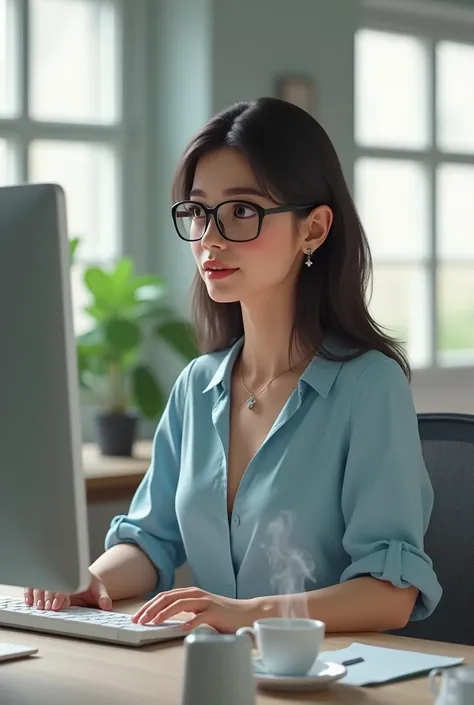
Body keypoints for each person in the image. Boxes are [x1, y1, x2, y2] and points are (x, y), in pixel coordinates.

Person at [26, 97, 442, 634]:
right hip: (213, 673)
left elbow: (391, 593)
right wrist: (94, 581)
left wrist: (244, 615)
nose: (210, 239)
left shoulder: (369, 386)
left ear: (313, 230)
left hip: (324, 679)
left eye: (242, 210)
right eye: (198, 212)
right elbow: (150, 540)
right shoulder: (196, 387)